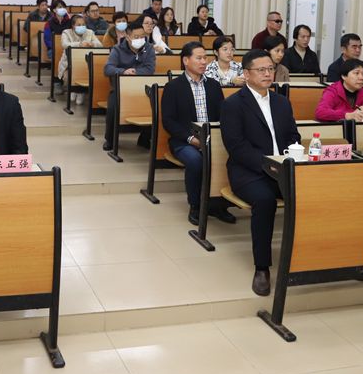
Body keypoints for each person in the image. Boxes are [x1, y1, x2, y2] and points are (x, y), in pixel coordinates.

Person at [220, 49, 301, 296]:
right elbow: (236, 147)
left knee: (309, 195)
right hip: (249, 171)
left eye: (270, 69)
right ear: (246, 74)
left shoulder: (281, 102)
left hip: (282, 168)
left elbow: (293, 135)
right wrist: (270, 165)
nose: (268, 74)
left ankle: (304, 256)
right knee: (265, 201)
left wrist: (291, 154)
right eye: (261, 70)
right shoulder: (233, 104)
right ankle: (262, 268)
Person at [162, 42, 226, 225]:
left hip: (212, 138)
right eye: (199, 58)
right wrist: (190, 138)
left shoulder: (213, 85)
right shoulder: (173, 87)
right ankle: (196, 206)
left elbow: (222, 115)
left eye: (205, 58)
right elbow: (168, 121)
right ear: (186, 60)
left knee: (228, 158)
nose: (204, 62)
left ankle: (217, 205)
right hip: (184, 140)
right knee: (196, 161)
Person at [103, 21, 156, 151]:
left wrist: (135, 72)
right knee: (113, 106)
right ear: (127, 37)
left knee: (156, 105)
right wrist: (123, 71)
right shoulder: (117, 49)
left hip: (142, 88)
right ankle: (110, 139)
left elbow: (150, 69)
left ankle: (144, 139)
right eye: (136, 37)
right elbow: (108, 69)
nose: (140, 39)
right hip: (121, 89)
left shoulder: (149, 48)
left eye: (142, 36)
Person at [315, 58, 363, 122]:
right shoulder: (333, 91)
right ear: (344, 76)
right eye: (356, 73)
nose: (361, 78)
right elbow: (320, 112)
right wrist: (347, 115)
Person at [59, 14, 101, 103]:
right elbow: (65, 44)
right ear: (73, 26)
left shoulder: (90, 32)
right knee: (68, 79)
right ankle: (74, 89)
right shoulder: (66, 32)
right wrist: (80, 44)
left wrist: (92, 44)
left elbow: (100, 45)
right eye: (79, 25)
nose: (82, 27)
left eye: (83, 25)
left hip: (86, 65)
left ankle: (81, 91)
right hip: (69, 65)